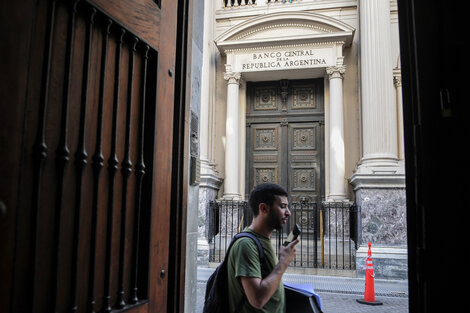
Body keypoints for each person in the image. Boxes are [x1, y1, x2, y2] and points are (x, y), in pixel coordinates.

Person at [226, 183, 299, 313]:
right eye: (283, 207)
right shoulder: (246, 245)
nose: (288, 213)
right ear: (264, 208)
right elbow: (257, 299)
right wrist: (283, 262)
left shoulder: (263, 240)